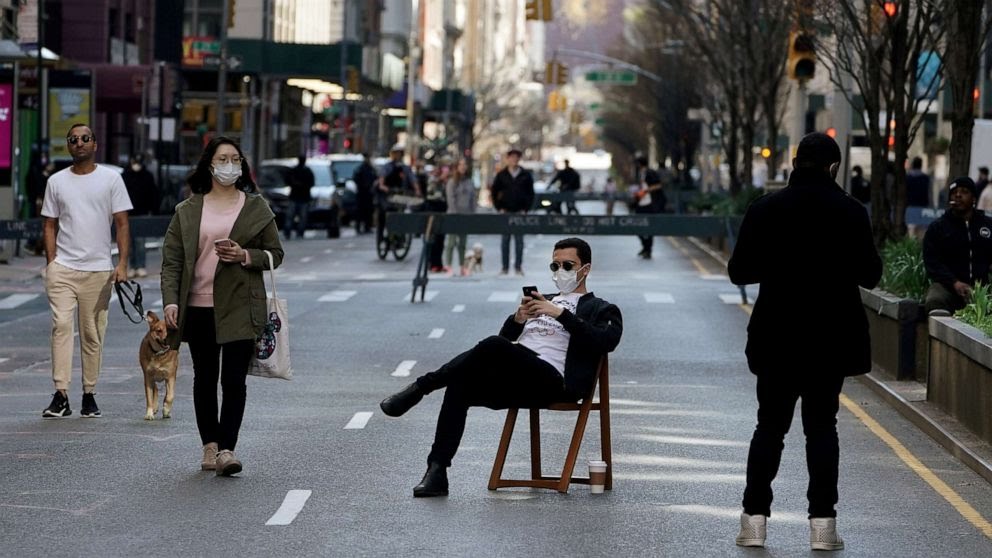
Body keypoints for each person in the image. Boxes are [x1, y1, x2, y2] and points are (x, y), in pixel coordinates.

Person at [728, 132, 882, 551]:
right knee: (822, 429)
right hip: (830, 340)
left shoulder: (765, 208)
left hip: (776, 336)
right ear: (834, 167)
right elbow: (871, 275)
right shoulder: (851, 211)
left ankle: (753, 521)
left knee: (769, 428)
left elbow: (739, 271)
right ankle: (822, 526)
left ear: (795, 162)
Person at [379, 237, 622, 497]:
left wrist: (560, 314)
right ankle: (437, 471)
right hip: (518, 377)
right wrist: (518, 319)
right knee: (460, 385)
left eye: (568, 265)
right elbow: (503, 341)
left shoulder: (602, 309)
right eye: (555, 266)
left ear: (585, 269)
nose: (560, 271)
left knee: (494, 345)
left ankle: (421, 387)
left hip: (554, 381)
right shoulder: (543, 299)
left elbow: (605, 341)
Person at [160, 137, 284, 476]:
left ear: (242, 165)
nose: (229, 165)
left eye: (235, 159)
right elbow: (171, 262)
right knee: (204, 378)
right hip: (198, 307)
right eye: (222, 158)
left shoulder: (256, 208)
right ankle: (209, 444)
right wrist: (171, 301)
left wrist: (245, 255)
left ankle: (228, 448)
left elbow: (277, 254)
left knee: (233, 380)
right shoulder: (187, 210)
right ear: (209, 165)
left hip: (241, 305)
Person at [41, 123, 133, 419]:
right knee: (62, 327)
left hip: (99, 270)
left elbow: (122, 223)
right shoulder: (56, 182)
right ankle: (60, 394)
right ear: (68, 146)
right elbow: (49, 224)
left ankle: (89, 394)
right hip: (63, 270)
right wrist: (52, 263)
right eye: (73, 139)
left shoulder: (111, 179)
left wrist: (122, 265)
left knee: (92, 334)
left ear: (95, 144)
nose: (79, 143)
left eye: (85, 138)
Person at [922, 177, 992, 316]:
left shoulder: (987, 225)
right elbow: (932, 262)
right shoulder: (938, 227)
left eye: (964, 192)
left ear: (974, 198)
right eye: (954, 192)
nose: (958, 195)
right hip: (948, 287)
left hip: (982, 288)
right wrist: (954, 282)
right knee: (934, 300)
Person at [490, 148, 534, 275]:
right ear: (508, 159)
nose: (514, 160)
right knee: (505, 241)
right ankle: (504, 267)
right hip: (506, 211)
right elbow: (494, 192)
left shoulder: (525, 175)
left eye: (516, 158)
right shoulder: (501, 175)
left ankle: (518, 267)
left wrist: (526, 209)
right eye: (511, 157)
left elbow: (531, 194)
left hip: (520, 211)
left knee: (519, 241)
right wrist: (499, 207)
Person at [122, 154, 159, 278]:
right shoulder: (125, 176)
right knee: (130, 242)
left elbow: (152, 194)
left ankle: (140, 266)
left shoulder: (146, 176)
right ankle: (133, 266)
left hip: (141, 212)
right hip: (128, 213)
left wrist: (152, 210)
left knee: (140, 242)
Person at [376, 144, 418, 242]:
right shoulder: (387, 167)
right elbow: (381, 182)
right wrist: (386, 189)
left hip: (400, 195)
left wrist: (417, 190)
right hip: (388, 195)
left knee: (402, 213)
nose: (398, 156)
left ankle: (400, 236)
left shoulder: (405, 168)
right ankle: (381, 237)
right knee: (384, 215)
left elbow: (413, 180)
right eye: (396, 153)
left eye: (400, 154)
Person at [444, 158, 477, 275]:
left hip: (466, 215)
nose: (463, 167)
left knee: (462, 243)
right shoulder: (452, 181)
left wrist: (473, 213)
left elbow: (473, 198)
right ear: (456, 167)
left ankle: (462, 266)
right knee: (451, 242)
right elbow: (450, 199)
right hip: (454, 215)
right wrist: (454, 214)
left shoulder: (469, 181)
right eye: (460, 164)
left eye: (465, 164)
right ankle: (448, 265)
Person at [634, 156, 666, 259]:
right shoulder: (641, 173)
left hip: (650, 203)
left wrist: (646, 191)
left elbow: (658, 185)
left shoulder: (650, 172)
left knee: (649, 226)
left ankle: (648, 249)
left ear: (640, 164)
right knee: (637, 226)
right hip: (641, 202)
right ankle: (645, 247)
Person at [284, 155, 315, 240]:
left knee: (293, 216)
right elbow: (312, 183)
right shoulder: (304, 171)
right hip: (300, 197)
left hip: (298, 197)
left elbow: (287, 180)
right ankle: (296, 232)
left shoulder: (298, 171)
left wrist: (298, 184)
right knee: (299, 217)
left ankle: (292, 232)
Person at [352, 153, 377, 234]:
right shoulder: (360, 168)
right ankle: (358, 227)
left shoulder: (371, 169)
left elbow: (375, 179)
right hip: (361, 193)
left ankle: (367, 227)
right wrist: (362, 186)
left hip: (369, 193)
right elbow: (356, 179)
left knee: (369, 211)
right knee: (360, 211)